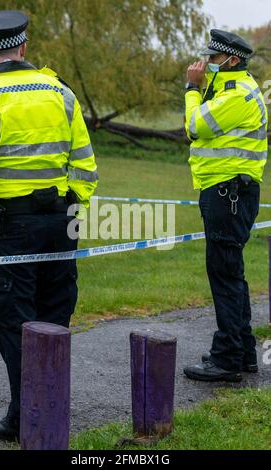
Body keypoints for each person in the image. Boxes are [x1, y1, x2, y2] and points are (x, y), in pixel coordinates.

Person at [0, 10, 98, 440]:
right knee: (56, 311)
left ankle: (26, 416)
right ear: (24, 46)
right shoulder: (60, 91)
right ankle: (50, 406)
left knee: (15, 318)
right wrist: (74, 206)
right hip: (62, 219)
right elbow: (85, 162)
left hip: (13, 224)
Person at [183, 29, 268, 382]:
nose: (207, 64)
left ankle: (228, 356)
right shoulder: (232, 90)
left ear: (232, 59)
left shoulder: (237, 95)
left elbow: (194, 125)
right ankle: (243, 350)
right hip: (228, 192)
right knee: (231, 273)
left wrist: (191, 88)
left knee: (224, 276)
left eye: (214, 59)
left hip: (226, 193)